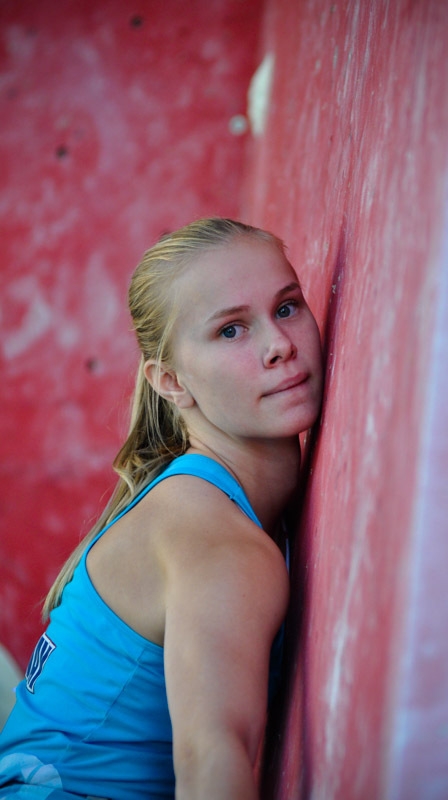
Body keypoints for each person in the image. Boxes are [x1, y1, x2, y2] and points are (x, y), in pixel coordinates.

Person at [0, 218, 323, 800]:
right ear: (171, 381)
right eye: (231, 331)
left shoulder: (206, 502)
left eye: (287, 307)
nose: (280, 346)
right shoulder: (216, 540)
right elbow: (211, 762)